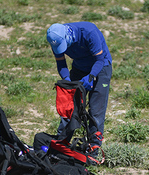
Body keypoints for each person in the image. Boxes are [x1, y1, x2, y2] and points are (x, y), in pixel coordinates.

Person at [46, 21, 112, 155]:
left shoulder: (89, 32)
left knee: (96, 111)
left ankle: (94, 149)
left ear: (68, 35)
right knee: (69, 107)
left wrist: (90, 77)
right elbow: (61, 63)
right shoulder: (55, 39)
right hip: (79, 68)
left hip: (100, 67)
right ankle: (61, 144)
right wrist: (67, 81)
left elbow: (99, 60)